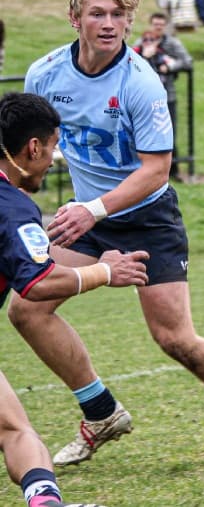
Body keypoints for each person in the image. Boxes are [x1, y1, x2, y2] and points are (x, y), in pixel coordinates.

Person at [16, 0, 204, 467]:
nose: (109, 24)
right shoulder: (44, 74)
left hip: (143, 218)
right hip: (84, 218)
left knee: (174, 339)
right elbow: (40, 143)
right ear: (74, 17)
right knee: (28, 307)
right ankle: (100, 411)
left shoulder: (140, 81)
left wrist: (91, 210)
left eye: (119, 14)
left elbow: (157, 170)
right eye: (97, 12)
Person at [0, 91, 150, 507]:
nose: (53, 159)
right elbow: (37, 285)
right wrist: (105, 272)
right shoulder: (13, 207)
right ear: (32, 148)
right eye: (52, 148)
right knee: (15, 432)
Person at [131, 12, 194, 180]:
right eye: (155, 24)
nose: (158, 27)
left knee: (169, 133)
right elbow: (131, 61)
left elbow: (187, 61)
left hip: (167, 96)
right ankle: (147, 172)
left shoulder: (172, 43)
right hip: (145, 97)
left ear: (166, 26)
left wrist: (170, 67)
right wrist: (146, 55)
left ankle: (173, 171)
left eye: (161, 24)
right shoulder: (142, 42)